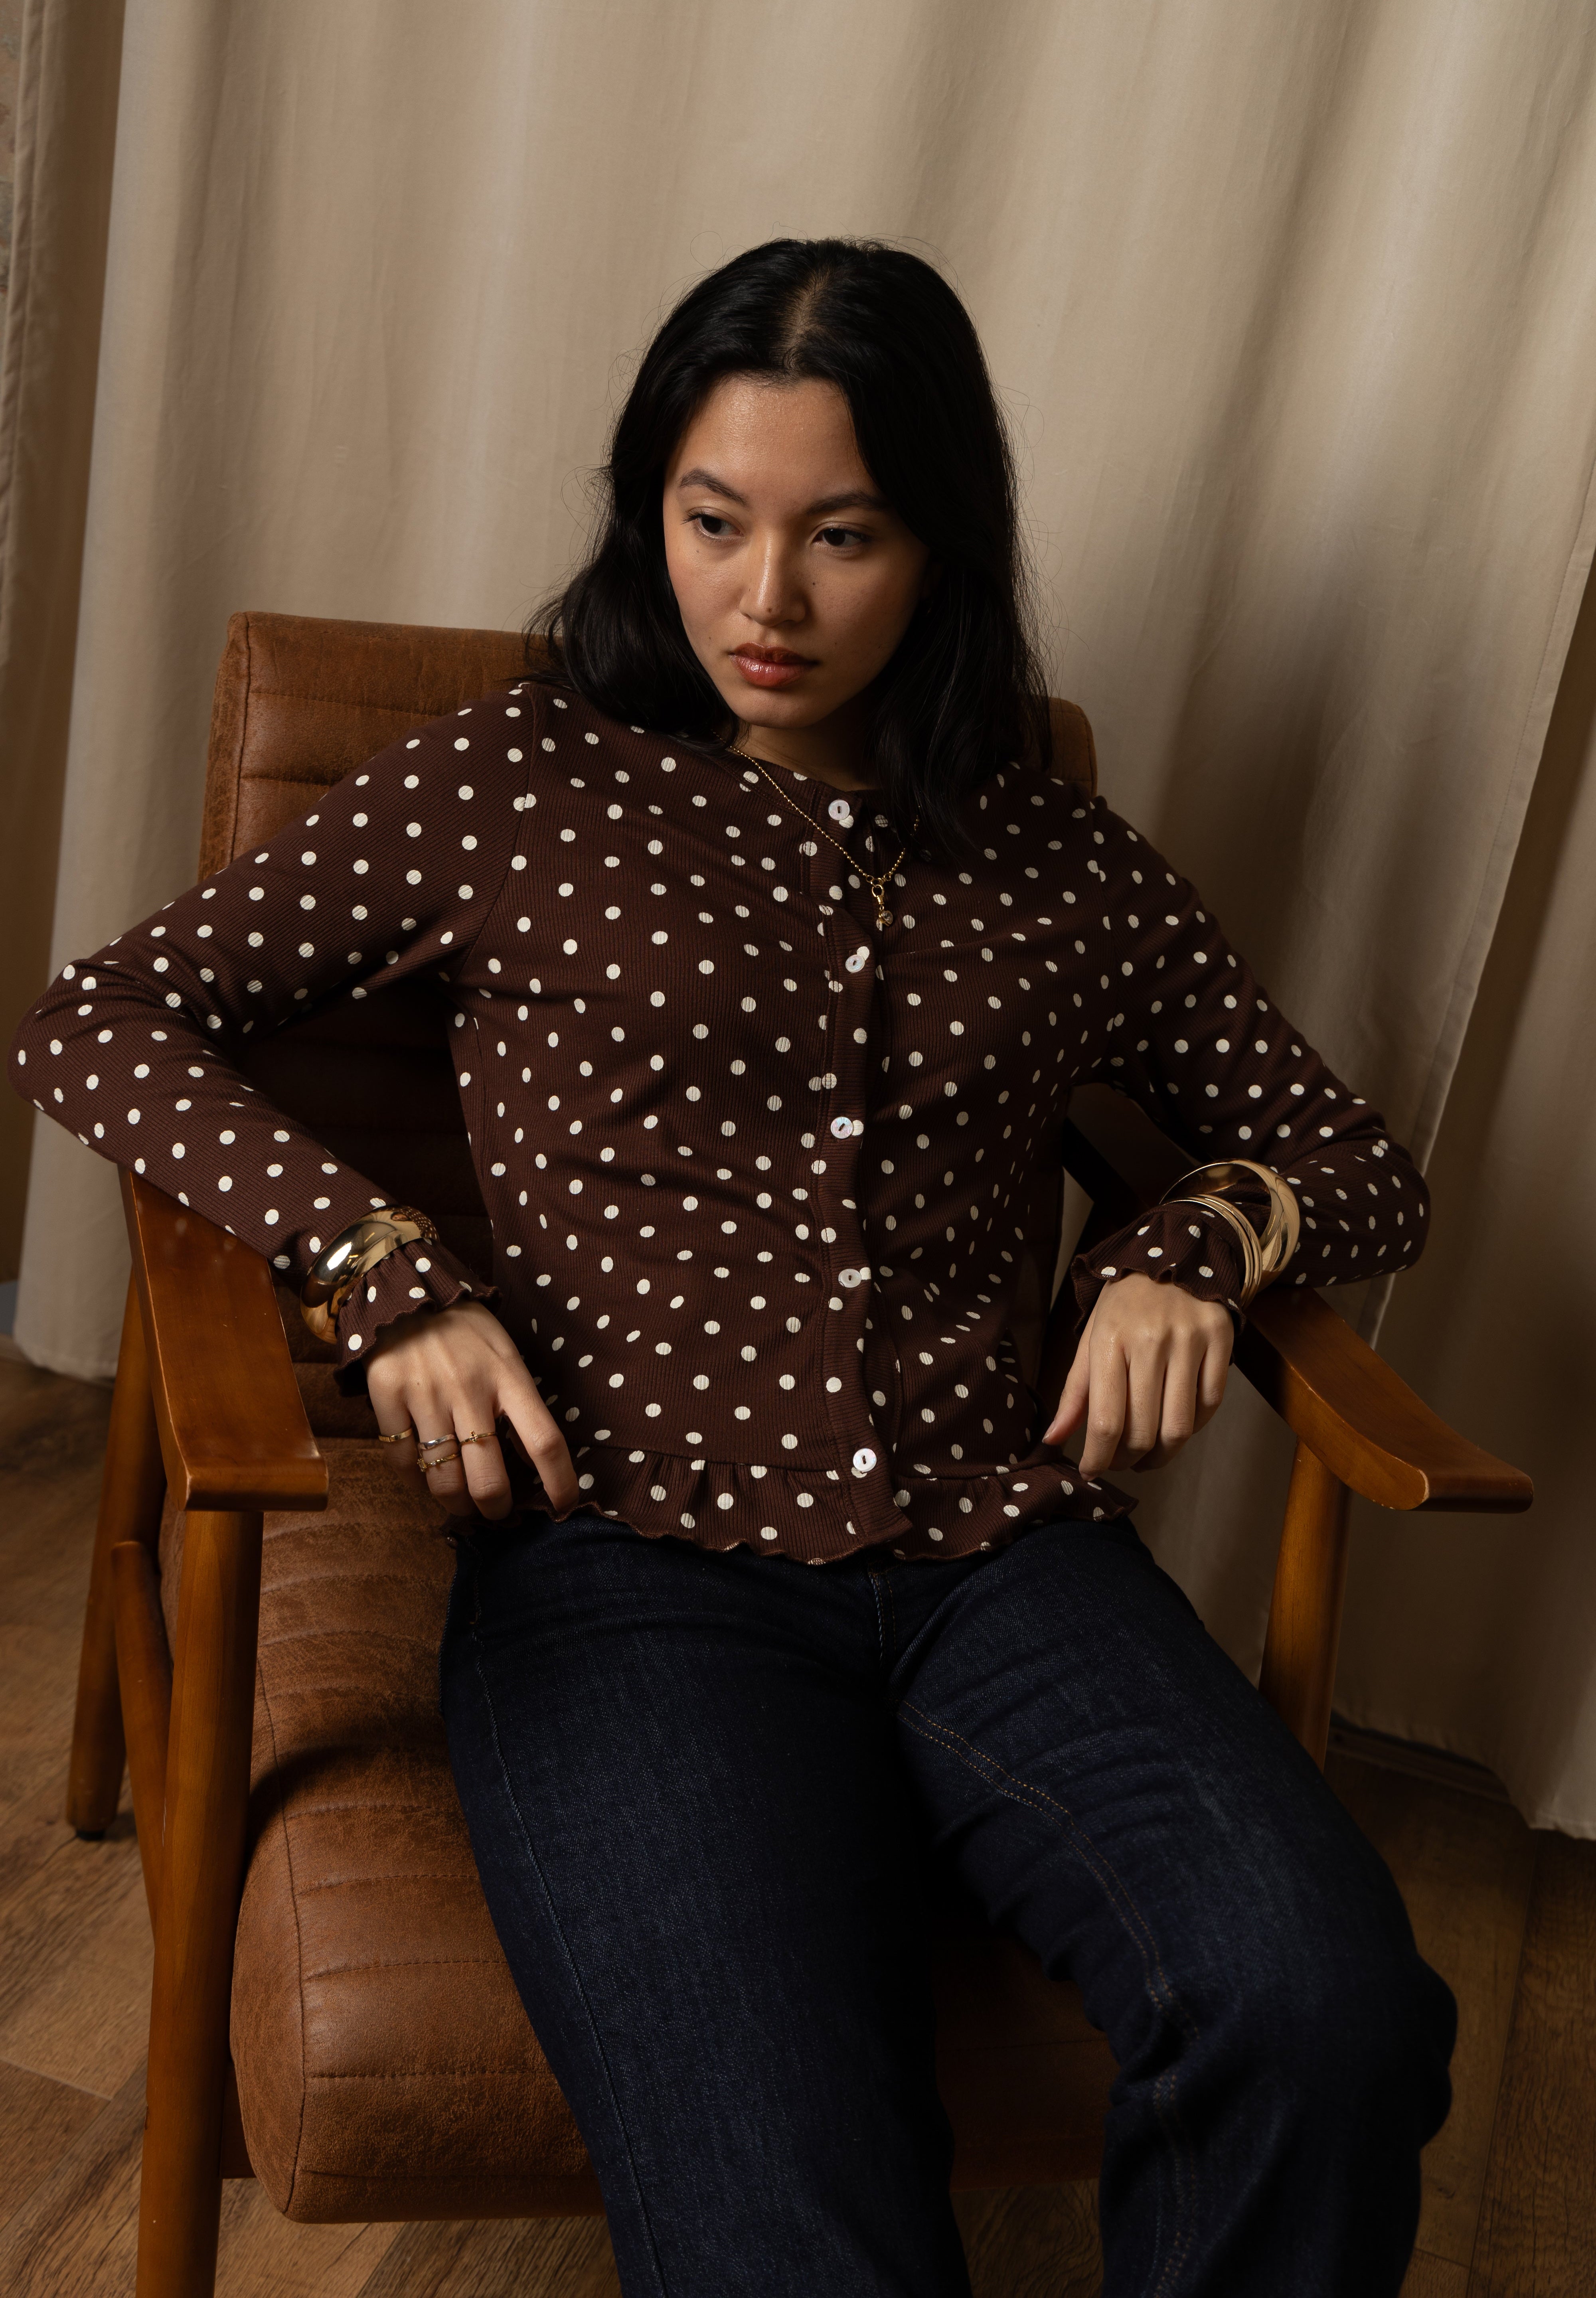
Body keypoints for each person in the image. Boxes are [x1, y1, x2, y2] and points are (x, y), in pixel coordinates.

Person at [13, 237, 1454, 2295]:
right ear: (651, 515)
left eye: (842, 536)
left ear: (942, 548)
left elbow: (1352, 1156)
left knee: (1328, 2012)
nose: (765, 599)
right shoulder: (516, 783)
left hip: (1005, 1566)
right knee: (790, 2216)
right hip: (630, 1569)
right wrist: (383, 1265)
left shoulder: (1054, 857)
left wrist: (1194, 1251)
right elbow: (101, 1018)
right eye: (713, 522)